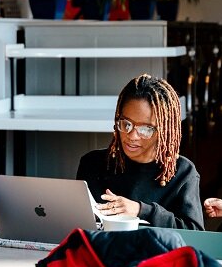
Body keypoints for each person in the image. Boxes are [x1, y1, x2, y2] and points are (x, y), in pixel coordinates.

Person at [76, 74, 204, 230]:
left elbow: (195, 233)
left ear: (164, 131)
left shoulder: (183, 172)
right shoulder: (92, 163)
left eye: (145, 129)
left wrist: (141, 210)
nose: (132, 136)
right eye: (126, 123)